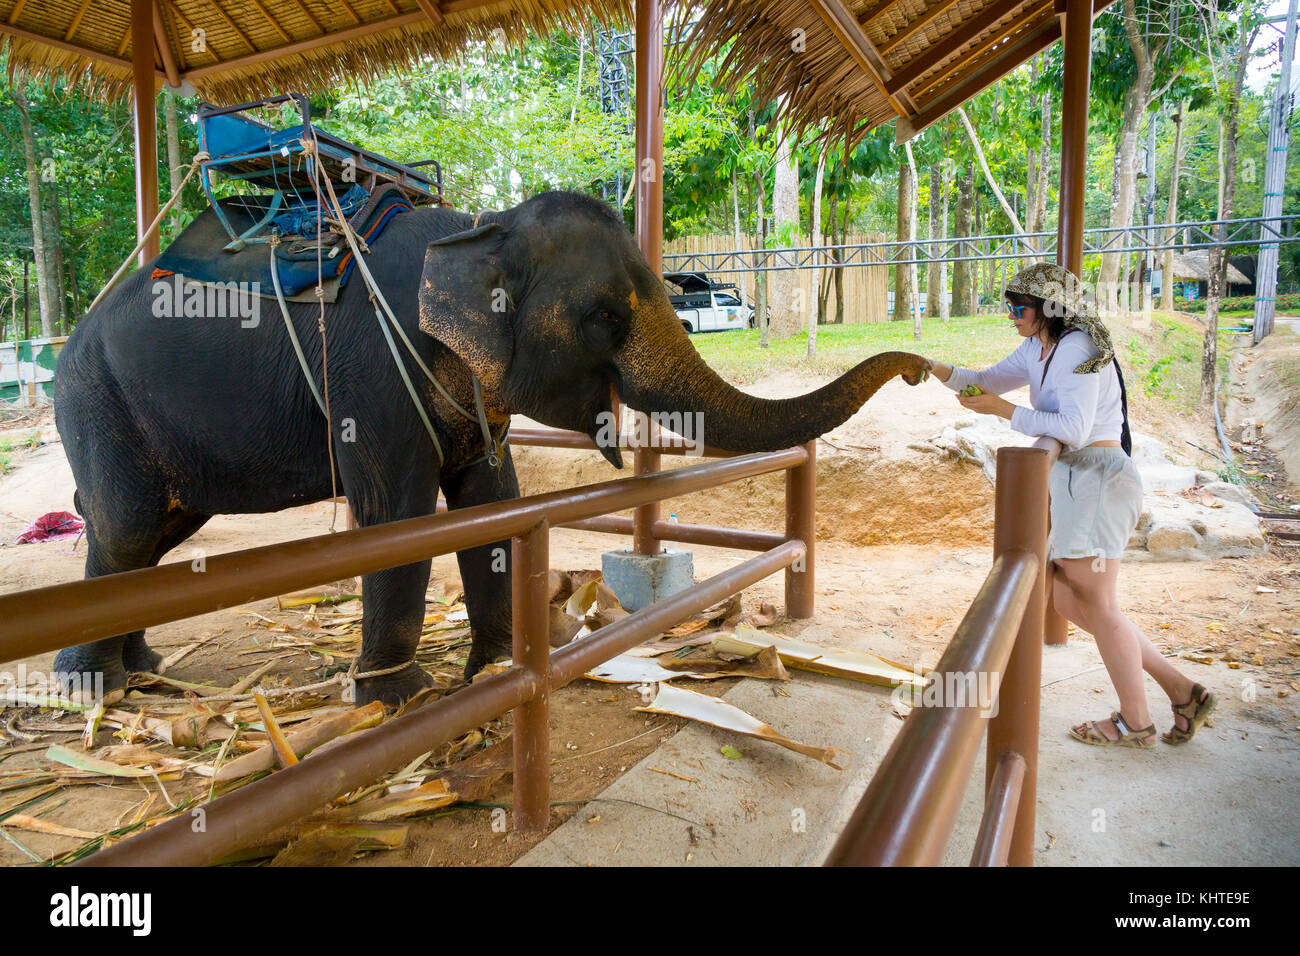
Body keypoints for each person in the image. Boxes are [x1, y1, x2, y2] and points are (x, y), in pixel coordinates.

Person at [921, 263, 1215, 750]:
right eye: (1008, 307)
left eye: (1019, 308)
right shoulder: (1039, 347)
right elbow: (985, 378)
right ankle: (1183, 692)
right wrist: (930, 367)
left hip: (1097, 475)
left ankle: (1135, 722)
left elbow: (1074, 429)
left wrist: (1003, 410)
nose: (1010, 316)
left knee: (1094, 605)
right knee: (1071, 597)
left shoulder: (1079, 347)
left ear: (1048, 310)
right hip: (1080, 481)